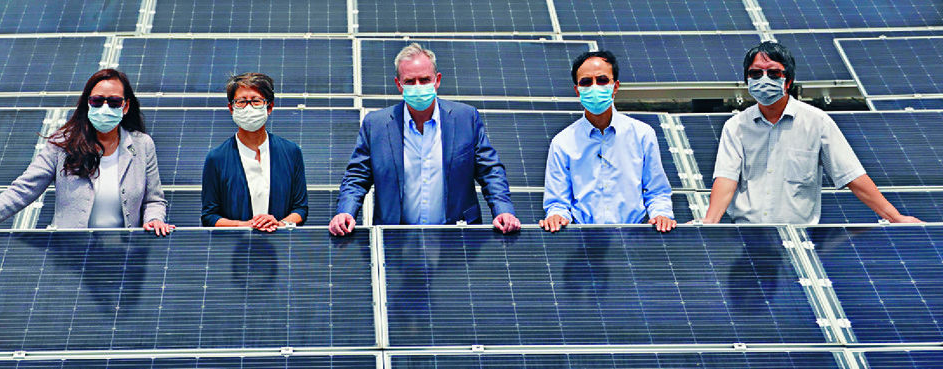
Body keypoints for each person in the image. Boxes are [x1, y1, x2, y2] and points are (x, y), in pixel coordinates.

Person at [701, 42, 921, 224]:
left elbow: (852, 176)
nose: (764, 79)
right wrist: (709, 223)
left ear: (787, 81)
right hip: (747, 237)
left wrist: (895, 217)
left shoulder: (817, 122)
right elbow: (726, 180)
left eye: (773, 73)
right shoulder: (736, 126)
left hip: (799, 238)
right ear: (748, 80)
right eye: (756, 73)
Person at [0, 69, 174, 236]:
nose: (105, 107)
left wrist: (154, 220)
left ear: (125, 106)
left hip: (125, 252)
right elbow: (24, 188)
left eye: (113, 102)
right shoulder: (63, 144)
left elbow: (154, 199)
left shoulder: (142, 145)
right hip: (69, 254)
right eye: (97, 101)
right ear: (87, 104)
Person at [329, 43, 520, 235]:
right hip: (395, 239)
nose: (418, 87)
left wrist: (503, 210)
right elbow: (357, 177)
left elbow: (490, 171)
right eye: (410, 81)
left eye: (424, 79)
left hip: (458, 237)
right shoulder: (376, 125)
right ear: (399, 85)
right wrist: (346, 211)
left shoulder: (466, 119)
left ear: (437, 81)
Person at [540, 51, 676, 233]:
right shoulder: (562, 143)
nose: (594, 87)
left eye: (602, 80)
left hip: (634, 237)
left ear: (615, 86)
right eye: (586, 82)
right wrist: (556, 216)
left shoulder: (642, 135)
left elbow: (657, 191)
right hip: (583, 240)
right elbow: (557, 203)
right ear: (577, 90)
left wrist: (661, 215)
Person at [201, 72, 308, 232]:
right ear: (231, 108)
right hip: (234, 249)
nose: (249, 107)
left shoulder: (291, 152)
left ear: (269, 107)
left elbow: (300, 209)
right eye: (241, 102)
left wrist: (279, 225)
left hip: (282, 247)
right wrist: (245, 225)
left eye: (256, 101)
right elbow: (209, 216)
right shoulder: (217, 158)